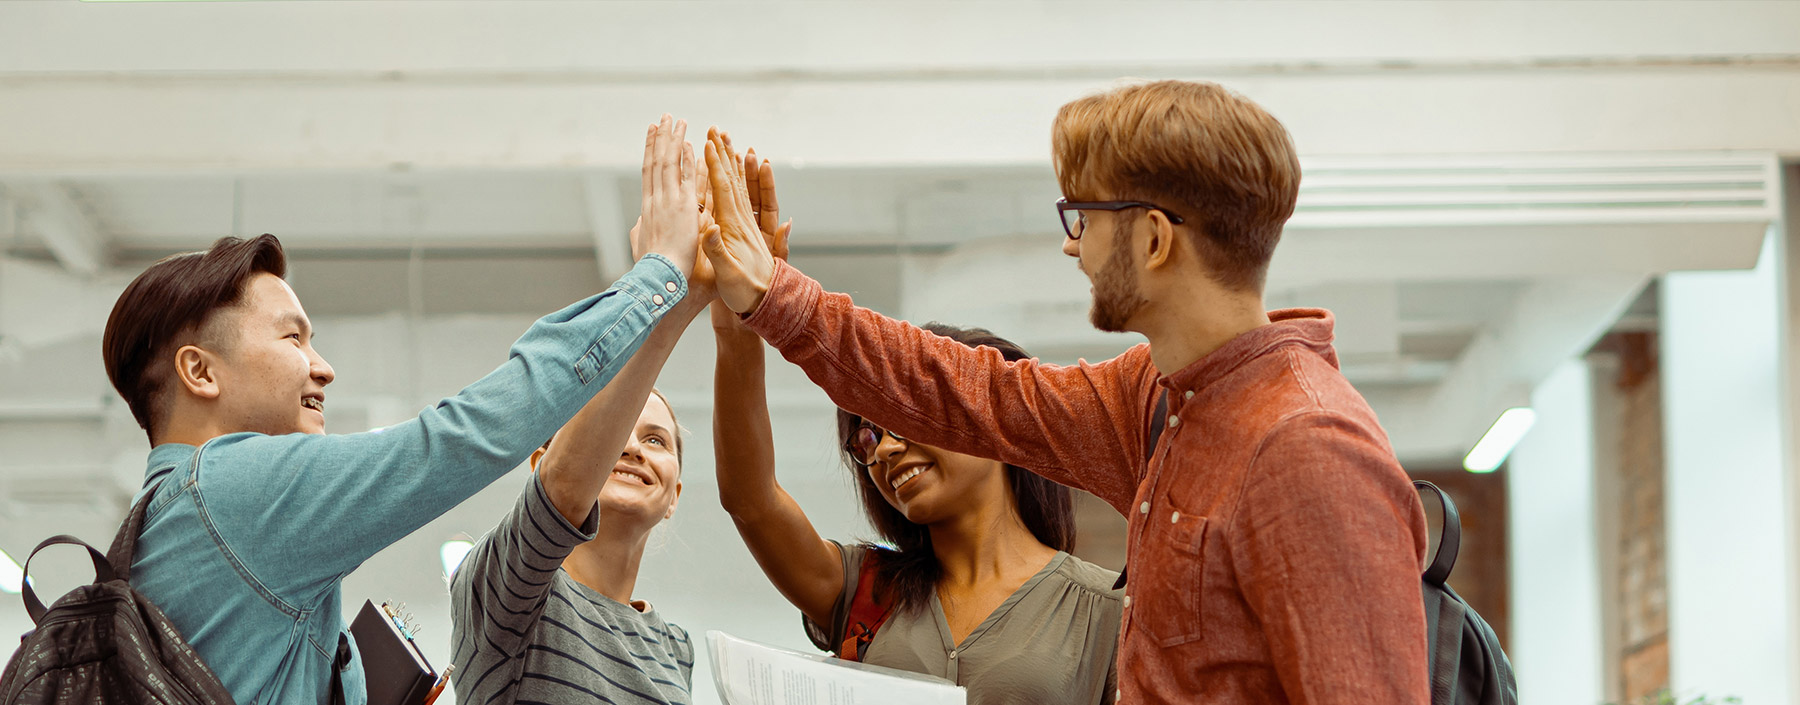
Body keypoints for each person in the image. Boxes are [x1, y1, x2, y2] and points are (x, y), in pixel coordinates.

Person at [698, 80, 1431, 704]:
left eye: (1084, 217)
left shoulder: (1309, 448)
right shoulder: (1155, 403)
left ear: (1152, 239)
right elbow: (961, 390)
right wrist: (769, 294)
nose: (1072, 245)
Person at [102, 115, 703, 705]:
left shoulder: (176, 517)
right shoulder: (232, 488)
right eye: (293, 339)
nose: (323, 367)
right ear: (200, 372)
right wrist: (658, 276)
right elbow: (460, 437)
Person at [714, 221, 1122, 703]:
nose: (883, 450)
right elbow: (752, 500)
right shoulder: (865, 590)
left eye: (904, 421)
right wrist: (737, 322)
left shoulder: (1105, 610)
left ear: (988, 421)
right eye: (866, 438)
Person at [449, 390, 697, 705]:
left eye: (655, 440)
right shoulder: (509, 590)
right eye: (612, 427)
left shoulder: (676, 648)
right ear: (544, 465)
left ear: (673, 496)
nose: (633, 448)